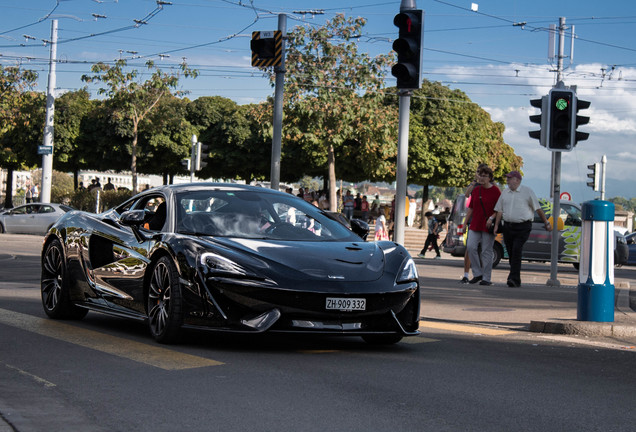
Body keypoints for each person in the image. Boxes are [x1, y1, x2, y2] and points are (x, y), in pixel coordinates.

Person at [493, 170, 552, 287]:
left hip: (523, 227)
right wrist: (496, 225)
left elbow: (538, 208)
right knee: (510, 252)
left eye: (510, 178)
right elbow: (499, 210)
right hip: (508, 226)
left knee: (516, 250)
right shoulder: (505, 193)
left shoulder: (527, 191)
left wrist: (546, 222)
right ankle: (515, 278)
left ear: (517, 180)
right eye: (507, 178)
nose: (507, 180)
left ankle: (513, 278)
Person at [463, 165, 501, 286]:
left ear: (490, 178)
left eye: (485, 176)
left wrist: (492, 219)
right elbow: (471, 208)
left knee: (486, 251)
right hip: (475, 223)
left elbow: (499, 209)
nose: (482, 178)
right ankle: (477, 273)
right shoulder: (476, 190)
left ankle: (486, 278)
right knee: (471, 247)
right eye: (480, 175)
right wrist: (464, 223)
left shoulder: (495, 191)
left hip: (488, 225)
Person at [460, 163, 488, 283]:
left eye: (483, 173)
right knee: (470, 248)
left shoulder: (491, 186)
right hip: (474, 220)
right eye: (478, 172)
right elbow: (467, 194)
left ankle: (484, 276)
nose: (480, 176)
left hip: (486, 221)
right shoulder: (475, 185)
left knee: (486, 250)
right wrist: (474, 181)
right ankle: (466, 274)